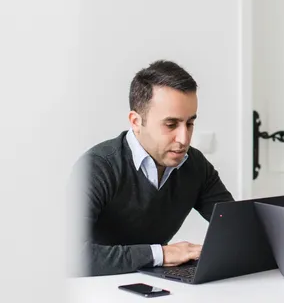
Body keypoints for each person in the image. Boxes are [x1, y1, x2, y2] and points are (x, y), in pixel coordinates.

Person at [68, 60, 234, 276]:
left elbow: (235, 225)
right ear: (136, 121)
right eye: (171, 124)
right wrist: (162, 254)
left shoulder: (195, 165)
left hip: (153, 281)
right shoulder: (97, 167)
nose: (184, 138)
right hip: (95, 286)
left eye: (190, 123)